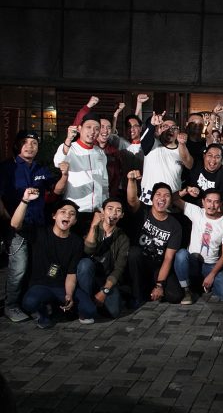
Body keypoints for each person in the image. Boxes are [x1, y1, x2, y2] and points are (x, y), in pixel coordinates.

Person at [0, 130, 69, 322]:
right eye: (25, 142)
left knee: (35, 267)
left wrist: (64, 175)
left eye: (34, 143)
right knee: (19, 268)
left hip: (38, 226)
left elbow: (56, 190)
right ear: (17, 145)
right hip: (16, 227)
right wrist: (8, 219)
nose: (29, 146)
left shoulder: (41, 169)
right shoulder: (7, 168)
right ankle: (11, 305)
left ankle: (29, 303)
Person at [13, 191, 91, 328]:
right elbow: (15, 224)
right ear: (54, 216)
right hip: (40, 285)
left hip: (61, 287)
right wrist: (25, 200)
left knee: (90, 310)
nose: (67, 215)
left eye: (72, 214)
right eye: (63, 212)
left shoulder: (76, 242)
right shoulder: (40, 233)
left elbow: (71, 273)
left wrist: (69, 294)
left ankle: (59, 307)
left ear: (75, 221)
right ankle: (43, 312)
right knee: (29, 303)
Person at [126, 172, 184, 305]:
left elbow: (168, 258)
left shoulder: (175, 226)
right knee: (134, 252)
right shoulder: (143, 211)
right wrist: (131, 180)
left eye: (167, 195)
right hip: (139, 263)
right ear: (152, 198)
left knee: (175, 296)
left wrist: (159, 285)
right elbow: (132, 200)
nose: (162, 198)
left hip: (158, 266)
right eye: (158, 194)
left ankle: (151, 288)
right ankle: (137, 295)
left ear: (170, 201)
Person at [172, 188, 223, 305]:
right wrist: (186, 190)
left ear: (220, 203)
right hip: (193, 261)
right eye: (209, 201)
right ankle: (187, 290)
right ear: (203, 202)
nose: (212, 205)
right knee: (181, 254)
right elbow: (172, 198)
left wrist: (212, 275)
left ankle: (204, 285)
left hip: (210, 265)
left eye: (216, 202)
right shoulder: (197, 212)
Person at [53, 113, 109, 235]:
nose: (92, 131)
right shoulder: (70, 148)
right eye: (88, 127)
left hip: (97, 211)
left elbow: (104, 183)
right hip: (75, 210)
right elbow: (58, 162)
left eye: (96, 128)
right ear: (79, 129)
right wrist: (68, 140)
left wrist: (104, 206)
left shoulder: (100, 152)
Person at [76, 197, 129, 318]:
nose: (114, 213)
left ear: (122, 215)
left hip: (105, 278)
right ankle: (85, 306)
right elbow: (88, 250)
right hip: (87, 275)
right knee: (85, 264)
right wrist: (93, 226)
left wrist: (105, 290)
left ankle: (95, 303)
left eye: (118, 210)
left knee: (114, 311)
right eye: (110, 209)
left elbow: (119, 268)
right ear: (103, 212)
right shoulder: (91, 228)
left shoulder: (123, 238)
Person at [139, 112, 194, 206]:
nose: (170, 130)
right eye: (165, 126)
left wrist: (182, 144)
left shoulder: (181, 149)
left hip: (172, 200)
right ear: (159, 129)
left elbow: (189, 165)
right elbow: (144, 142)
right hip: (149, 200)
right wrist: (152, 125)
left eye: (174, 128)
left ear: (178, 131)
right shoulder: (153, 144)